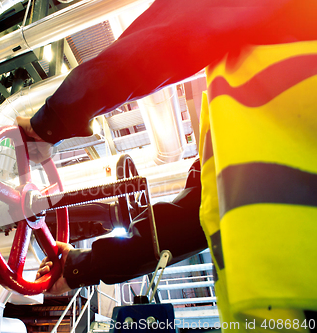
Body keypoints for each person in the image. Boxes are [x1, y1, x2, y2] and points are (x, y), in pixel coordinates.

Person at [18, 0, 317, 329]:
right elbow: (192, 218)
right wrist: (80, 266)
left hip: (284, 303)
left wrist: (55, 120)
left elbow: (168, 38)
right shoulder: (240, 118)